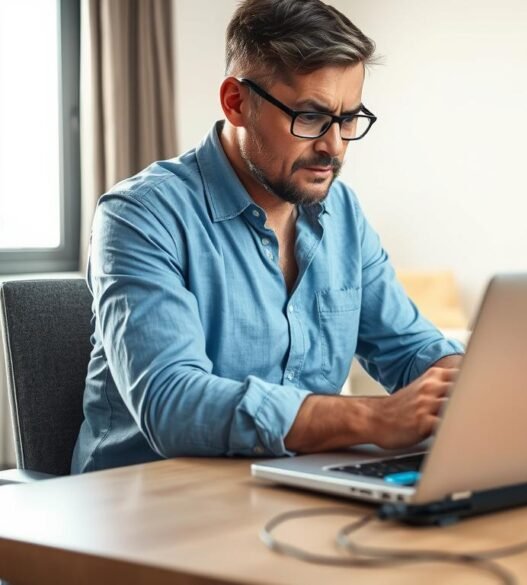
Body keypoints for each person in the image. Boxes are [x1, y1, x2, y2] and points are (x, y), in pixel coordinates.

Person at [71, 0, 463, 473]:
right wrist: (371, 416)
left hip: (287, 486)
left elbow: (411, 350)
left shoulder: (342, 214)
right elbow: (171, 403)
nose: (333, 147)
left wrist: (472, 384)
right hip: (143, 503)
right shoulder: (140, 215)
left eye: (348, 119)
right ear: (237, 102)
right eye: (311, 117)